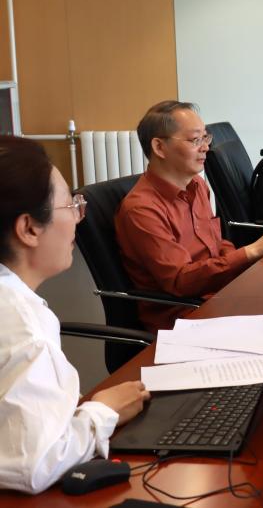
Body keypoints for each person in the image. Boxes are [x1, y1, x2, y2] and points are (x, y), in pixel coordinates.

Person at [0, 136, 150, 494]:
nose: (79, 218)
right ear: (29, 228)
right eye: (71, 205)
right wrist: (102, 411)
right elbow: (34, 464)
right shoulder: (22, 327)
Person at [116, 101, 263, 332]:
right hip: (185, 318)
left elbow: (217, 244)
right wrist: (252, 251)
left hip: (219, 296)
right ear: (159, 147)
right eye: (195, 140)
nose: (206, 148)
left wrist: (245, 265)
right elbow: (180, 281)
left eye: (206, 138)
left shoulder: (197, 185)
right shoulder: (142, 209)